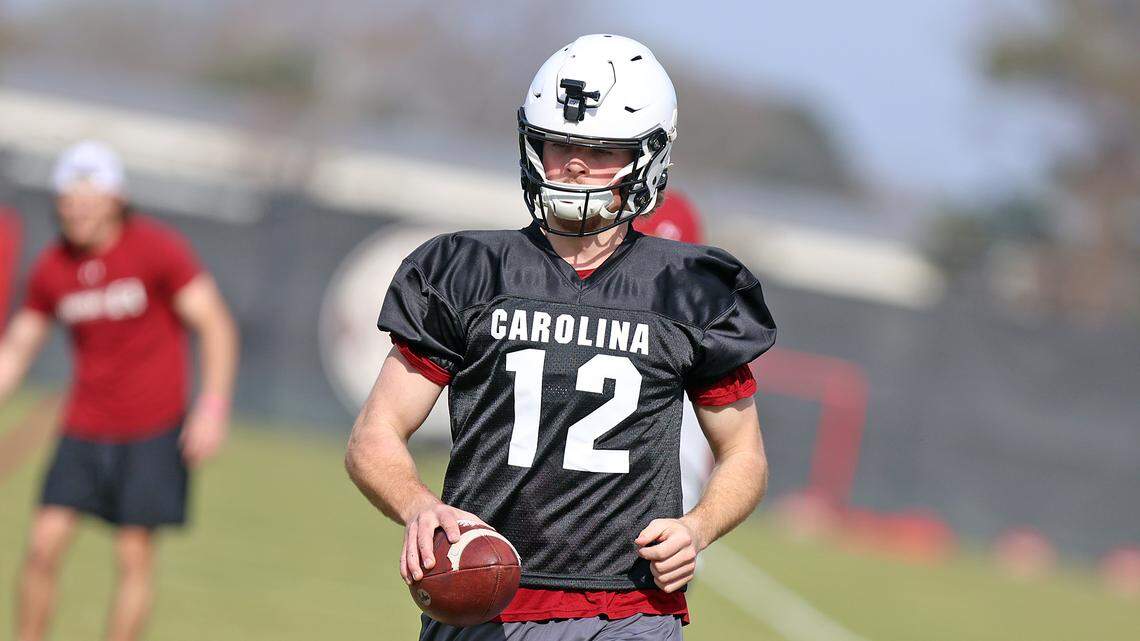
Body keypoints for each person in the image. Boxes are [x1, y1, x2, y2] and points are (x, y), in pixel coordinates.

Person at [345, 34, 774, 640]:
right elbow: (374, 434)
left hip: (627, 610)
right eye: (559, 143)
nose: (574, 163)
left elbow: (744, 456)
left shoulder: (689, 288)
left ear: (647, 157)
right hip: (483, 594)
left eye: (601, 150)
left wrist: (697, 528)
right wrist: (419, 505)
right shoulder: (467, 272)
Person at [0, 141, 240, 641]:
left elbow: (215, 324)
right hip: (83, 425)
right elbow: (17, 349)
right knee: (43, 547)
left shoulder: (155, 249)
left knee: (133, 557)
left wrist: (212, 407)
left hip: (151, 426)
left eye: (86, 202)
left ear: (115, 200)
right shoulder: (52, 268)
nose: (75, 213)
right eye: (67, 204)